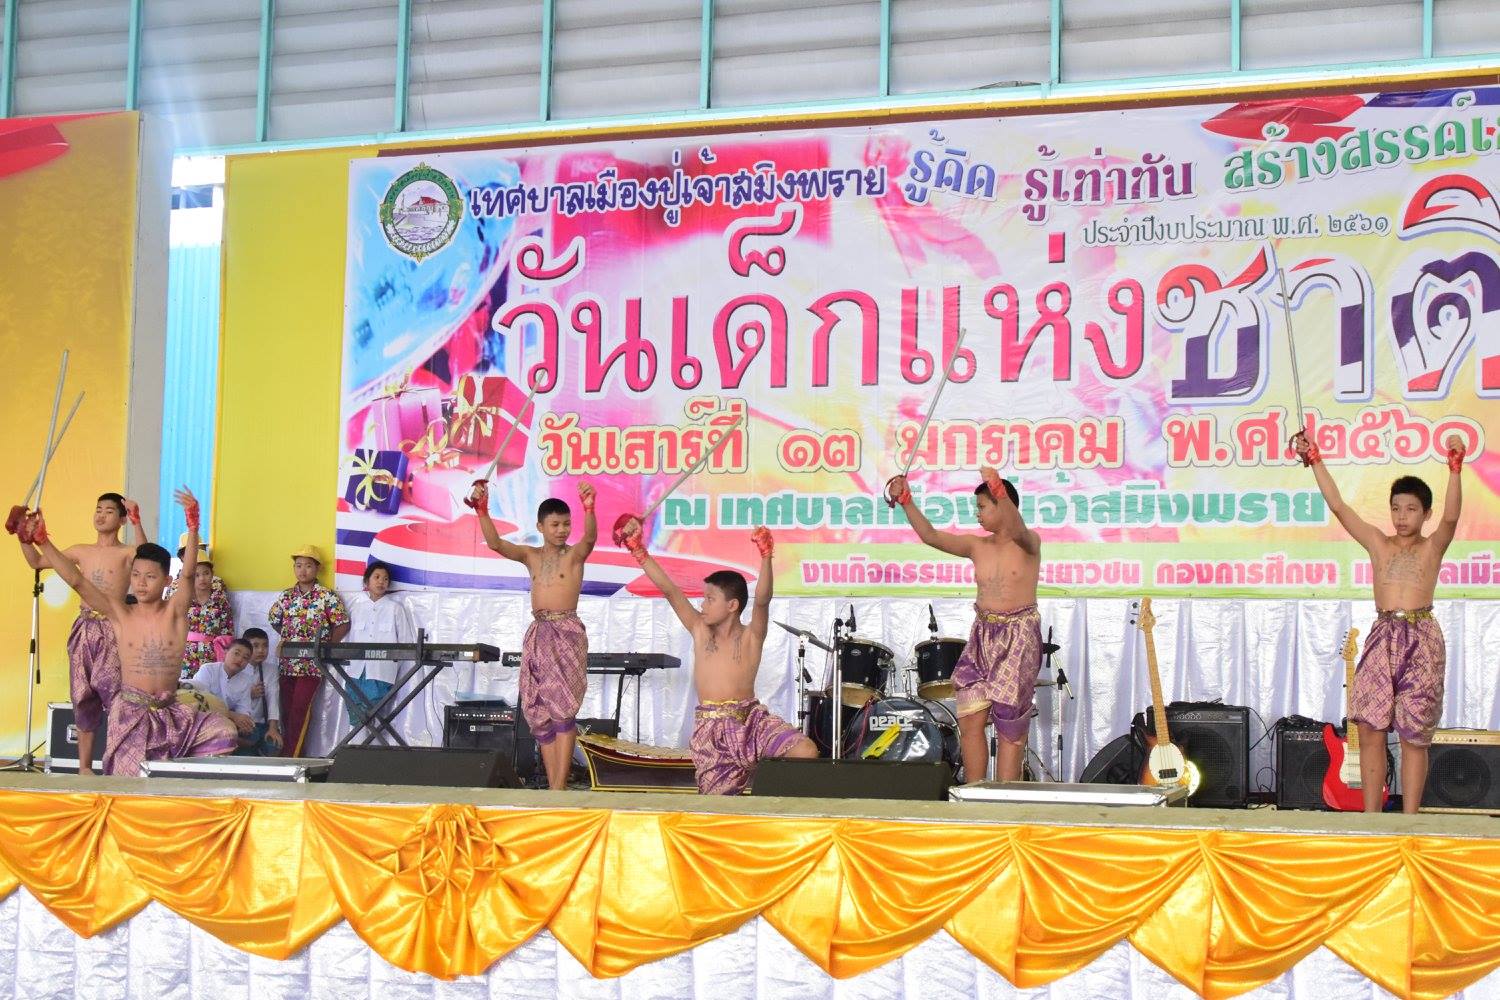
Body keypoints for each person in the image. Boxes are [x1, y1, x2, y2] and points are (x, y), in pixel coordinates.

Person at [1296, 432, 1465, 813]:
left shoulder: (1432, 546)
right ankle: (1372, 821)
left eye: (1411, 509)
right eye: (1396, 509)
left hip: (1422, 636)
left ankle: (1409, 821)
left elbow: (1452, 517)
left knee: (1414, 735)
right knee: (1369, 729)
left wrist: (1455, 468)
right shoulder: (1379, 543)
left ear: (1425, 514)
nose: (1402, 516)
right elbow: (1339, 506)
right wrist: (1316, 460)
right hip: (1383, 633)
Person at [23, 488, 236, 775]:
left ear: (167, 580)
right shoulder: (120, 613)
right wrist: (42, 540)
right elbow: (76, 580)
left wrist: (194, 526)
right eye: (136, 576)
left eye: (150, 577)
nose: (141, 583)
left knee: (225, 733)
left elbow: (188, 574)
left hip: (170, 714)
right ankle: (96, 768)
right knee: (126, 778)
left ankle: (177, 779)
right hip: (130, 715)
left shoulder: (175, 613)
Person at [618, 520, 815, 794]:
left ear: (732, 605)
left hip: (750, 721)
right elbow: (671, 591)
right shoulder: (700, 630)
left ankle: (769, 802)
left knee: (805, 751)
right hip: (711, 730)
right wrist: (639, 551)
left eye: (710, 599)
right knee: (716, 805)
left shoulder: (751, 636)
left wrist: (766, 556)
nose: (702, 604)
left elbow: (762, 600)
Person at [886, 466, 1041, 783]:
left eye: (982, 506)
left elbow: (1017, 528)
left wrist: (998, 490)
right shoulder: (976, 546)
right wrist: (906, 501)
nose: (977, 514)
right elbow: (931, 536)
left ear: (1002, 504)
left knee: (1009, 729)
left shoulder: (1028, 542)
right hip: (982, 635)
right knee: (970, 719)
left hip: (1018, 637)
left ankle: (1003, 801)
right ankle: (973, 794)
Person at [466, 480, 596, 790]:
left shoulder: (574, 556)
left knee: (564, 711)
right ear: (540, 526)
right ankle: (555, 788)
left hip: (566, 632)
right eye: (555, 524)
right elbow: (496, 544)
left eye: (566, 524)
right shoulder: (531, 556)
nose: (562, 530)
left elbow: (590, 538)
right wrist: (482, 510)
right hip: (538, 633)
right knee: (540, 714)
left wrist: (589, 508)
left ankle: (559, 788)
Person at [10, 492, 147, 775]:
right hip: (84, 626)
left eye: (109, 511)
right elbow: (36, 562)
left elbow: (146, 558)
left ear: (121, 519)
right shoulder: (80, 550)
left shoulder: (126, 552)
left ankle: (118, 765)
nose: (101, 515)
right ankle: (84, 767)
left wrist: (137, 521)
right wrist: (23, 536)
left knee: (117, 697)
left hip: (113, 627)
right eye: (98, 509)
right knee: (82, 695)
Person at [267, 545, 350, 756]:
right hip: (287, 663)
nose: (303, 570)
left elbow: (342, 624)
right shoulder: (286, 596)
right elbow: (274, 620)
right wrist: (290, 638)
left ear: (317, 568)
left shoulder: (326, 596)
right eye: (298, 565)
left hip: (311, 665)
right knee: (286, 710)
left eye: (308, 566)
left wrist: (325, 648)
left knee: (299, 710)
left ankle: (291, 756)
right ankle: (292, 752)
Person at [343, 561, 416, 734]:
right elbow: (349, 639)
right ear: (366, 582)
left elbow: (405, 642)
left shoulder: (395, 609)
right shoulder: (357, 609)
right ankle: (358, 747)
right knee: (356, 717)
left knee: (372, 717)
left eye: (385, 579)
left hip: (381, 673)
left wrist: (397, 667)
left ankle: (369, 748)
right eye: (376, 577)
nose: (381, 581)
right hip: (355, 672)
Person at [166, 540, 234, 679]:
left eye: (206, 573)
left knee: (209, 688)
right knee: (184, 689)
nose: (202, 578)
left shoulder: (220, 600)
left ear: (212, 574)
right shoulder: (180, 598)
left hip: (212, 656)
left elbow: (227, 632)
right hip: (183, 655)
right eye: (196, 575)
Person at [186, 638, 261, 749]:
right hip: (203, 718)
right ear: (225, 653)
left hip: (227, 720)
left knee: (253, 733)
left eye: (245, 658)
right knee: (224, 730)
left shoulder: (245, 680)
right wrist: (232, 715)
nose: (240, 659)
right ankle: (226, 741)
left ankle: (228, 741)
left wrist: (244, 723)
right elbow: (202, 704)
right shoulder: (208, 670)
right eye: (236, 653)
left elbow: (243, 708)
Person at [238, 627, 283, 755]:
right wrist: (249, 694)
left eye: (265, 646)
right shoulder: (237, 667)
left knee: (274, 744)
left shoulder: (271, 670)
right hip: (241, 723)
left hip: (262, 724)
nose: (261, 650)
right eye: (255, 646)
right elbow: (226, 699)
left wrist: (273, 729)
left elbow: (273, 699)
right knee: (250, 739)